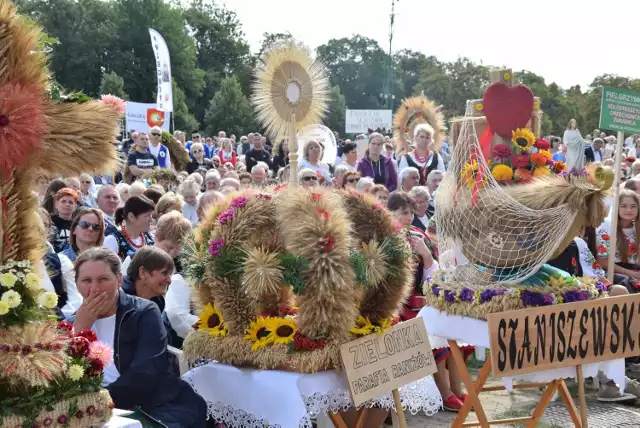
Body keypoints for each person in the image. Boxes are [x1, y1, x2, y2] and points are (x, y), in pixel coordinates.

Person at [70, 248, 207, 427]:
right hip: (92, 408)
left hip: (152, 405)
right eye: (86, 281)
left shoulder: (144, 312)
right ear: (77, 285)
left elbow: (144, 373)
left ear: (118, 280)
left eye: (103, 279)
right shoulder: (70, 324)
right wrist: (79, 331)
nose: (95, 288)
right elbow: (64, 378)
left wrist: (96, 403)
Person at [596, 189, 640, 289]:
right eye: (624, 206)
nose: (629, 210)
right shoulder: (607, 227)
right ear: (616, 207)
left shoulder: (637, 228)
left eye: (633, 206)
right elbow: (602, 261)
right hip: (615, 273)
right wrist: (632, 274)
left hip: (635, 271)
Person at [104, 196, 155, 261]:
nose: (151, 220)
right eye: (147, 216)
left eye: (151, 215)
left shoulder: (151, 238)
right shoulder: (113, 240)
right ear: (131, 216)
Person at [51, 187, 80, 252]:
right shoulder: (49, 222)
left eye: (70, 202)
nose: (67, 204)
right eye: (63, 201)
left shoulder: (79, 225)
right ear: (56, 204)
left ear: (75, 206)